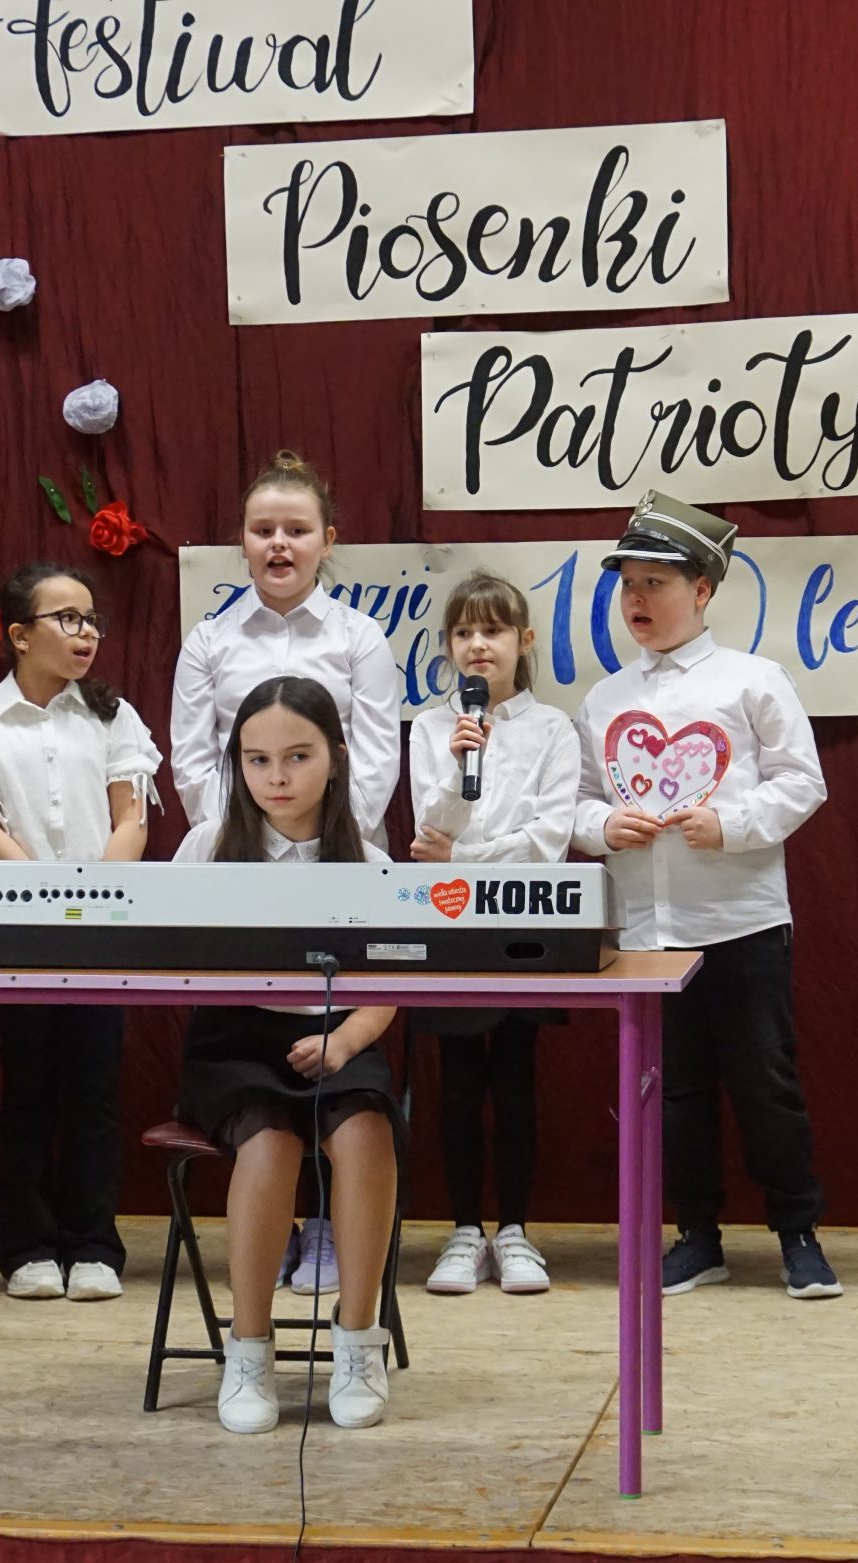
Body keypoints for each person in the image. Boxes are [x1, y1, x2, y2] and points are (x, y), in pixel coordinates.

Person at [570, 494, 840, 1301]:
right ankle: (696, 1234)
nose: (638, 600)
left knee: (765, 1083)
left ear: (702, 590)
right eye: (628, 585)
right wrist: (602, 825)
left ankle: (798, 1232)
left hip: (741, 921)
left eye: (655, 583)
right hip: (647, 930)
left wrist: (733, 823)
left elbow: (803, 781)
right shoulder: (604, 700)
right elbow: (574, 801)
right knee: (673, 1090)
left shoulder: (752, 680)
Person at [170, 451, 400, 1293]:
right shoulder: (211, 639)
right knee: (267, 1129)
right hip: (240, 855)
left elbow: (374, 753)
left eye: (296, 530)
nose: (278, 543)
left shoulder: (358, 636)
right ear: (241, 542)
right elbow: (195, 758)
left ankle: (343, 1270)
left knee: (358, 1116)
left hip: (337, 855)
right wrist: (249, 841)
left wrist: (323, 843)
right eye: (262, 529)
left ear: (326, 541)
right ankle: (259, 1308)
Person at [173, 677, 403, 1432]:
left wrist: (347, 1040)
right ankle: (248, 1348)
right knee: (269, 1144)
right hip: (235, 1042)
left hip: (339, 1037)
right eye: (258, 759)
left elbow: (391, 985)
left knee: (365, 1133)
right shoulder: (207, 847)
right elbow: (165, 958)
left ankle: (358, 1338)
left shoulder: (368, 859)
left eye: (298, 756)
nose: (277, 777)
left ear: (336, 758)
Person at [0, 562, 161, 1305]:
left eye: (92, 619)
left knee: (96, 1091)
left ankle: (94, 1245)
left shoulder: (113, 715)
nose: (86, 632)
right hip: (21, 930)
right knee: (29, 1088)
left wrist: (93, 899)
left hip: (102, 930)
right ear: (19, 634)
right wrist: (46, 900)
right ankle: (29, 1247)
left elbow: (131, 819)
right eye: (67, 618)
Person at [409, 572, 579, 1297]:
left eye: (493, 630)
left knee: (514, 1077)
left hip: (524, 922)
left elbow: (549, 841)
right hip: (450, 923)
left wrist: (466, 859)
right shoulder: (429, 727)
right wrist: (457, 763)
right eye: (463, 632)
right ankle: (462, 1230)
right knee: (456, 1081)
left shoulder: (554, 729)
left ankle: (513, 1229)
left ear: (524, 640)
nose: (478, 644)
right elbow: (428, 833)